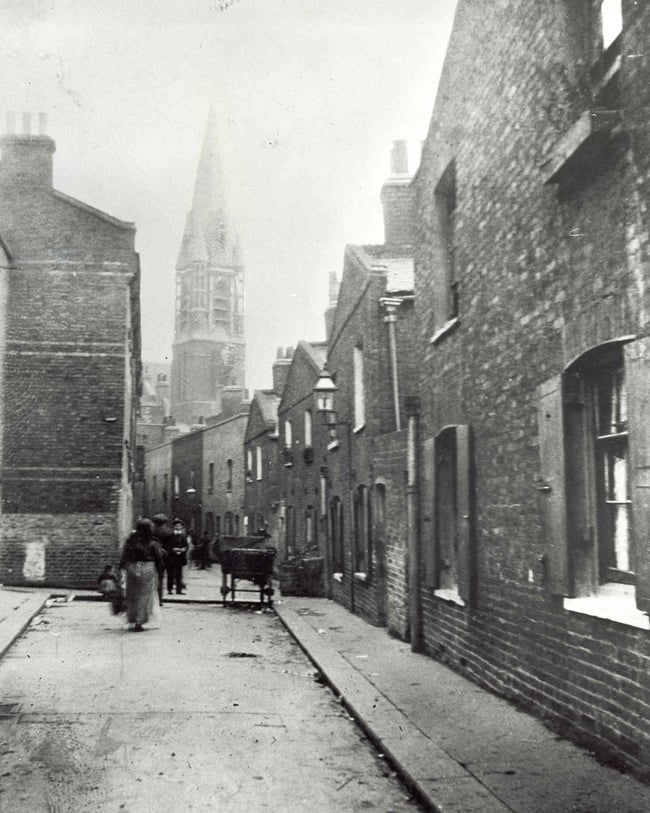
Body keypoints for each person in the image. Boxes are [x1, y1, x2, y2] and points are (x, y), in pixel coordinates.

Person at [119, 518, 164, 631]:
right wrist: (160, 571)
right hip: (148, 569)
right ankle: (140, 620)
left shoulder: (131, 541)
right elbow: (159, 559)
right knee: (145, 596)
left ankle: (132, 618)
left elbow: (124, 556)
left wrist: (122, 568)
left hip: (132, 567)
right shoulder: (153, 542)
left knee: (132, 594)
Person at [151, 514, 172, 605]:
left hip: (152, 558)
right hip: (163, 558)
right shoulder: (168, 532)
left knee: (152, 579)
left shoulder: (152, 531)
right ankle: (160, 599)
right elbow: (171, 547)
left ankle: (153, 599)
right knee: (160, 579)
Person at [166, 519, 189, 595]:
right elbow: (167, 546)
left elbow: (186, 545)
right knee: (171, 574)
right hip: (172, 558)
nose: (178, 527)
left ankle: (179, 590)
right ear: (173, 527)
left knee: (179, 574)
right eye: (176, 526)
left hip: (180, 558)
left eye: (180, 526)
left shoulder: (183, 537)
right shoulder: (170, 536)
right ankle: (169, 589)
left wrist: (184, 549)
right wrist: (173, 549)